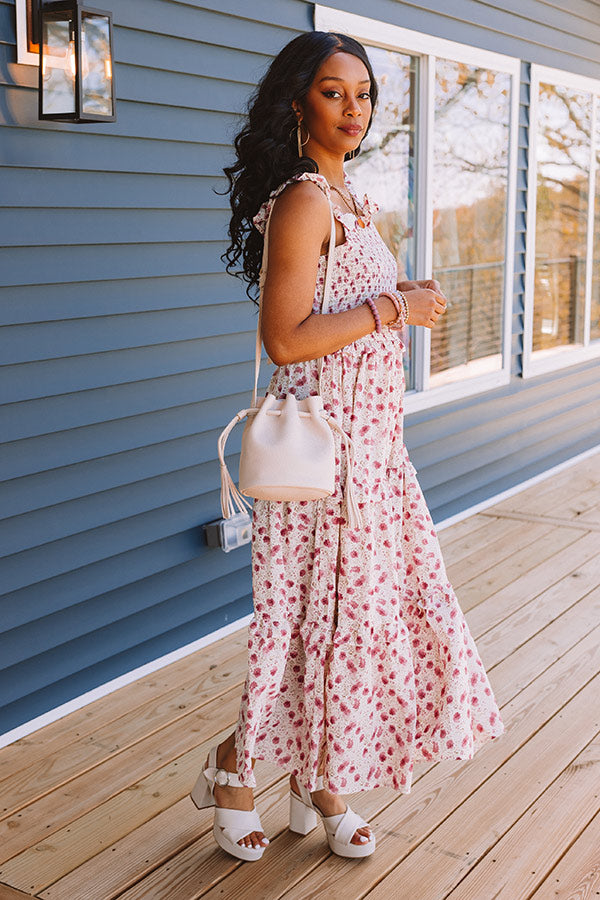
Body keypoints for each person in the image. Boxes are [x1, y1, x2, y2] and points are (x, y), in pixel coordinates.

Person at [191, 30, 505, 863]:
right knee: (299, 628)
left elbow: (350, 308)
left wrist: (399, 295)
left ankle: (320, 778)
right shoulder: (303, 199)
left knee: (356, 629)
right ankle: (234, 767)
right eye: (334, 92)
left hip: (374, 454)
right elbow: (287, 339)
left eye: (363, 94)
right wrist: (394, 310)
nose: (354, 109)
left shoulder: (351, 198)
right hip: (322, 459)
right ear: (298, 101)